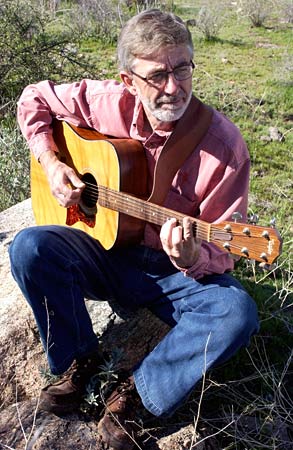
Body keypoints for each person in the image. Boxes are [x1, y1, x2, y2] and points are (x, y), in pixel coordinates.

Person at [9, 8, 259, 450]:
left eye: (182, 68)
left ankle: (135, 397)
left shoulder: (224, 146)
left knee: (236, 313)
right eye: (156, 75)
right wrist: (51, 163)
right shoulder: (105, 102)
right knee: (30, 247)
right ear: (127, 81)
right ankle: (79, 361)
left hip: (172, 274)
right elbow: (33, 98)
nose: (173, 86)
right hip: (105, 252)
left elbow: (224, 252)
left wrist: (192, 257)